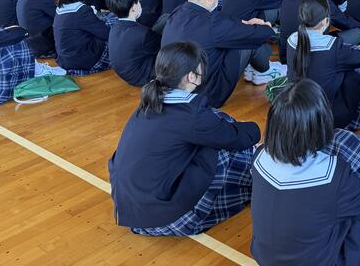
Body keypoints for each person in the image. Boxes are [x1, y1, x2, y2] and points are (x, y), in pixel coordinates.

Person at [108, 41, 258, 236]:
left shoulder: (148, 103)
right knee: (221, 148)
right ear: (191, 76)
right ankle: (258, 183)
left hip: (131, 212)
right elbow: (237, 137)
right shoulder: (192, 115)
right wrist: (254, 130)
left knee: (212, 135)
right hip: (162, 219)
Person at [250, 79, 360, 266]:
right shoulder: (331, 174)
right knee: (359, 217)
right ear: (321, 122)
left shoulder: (259, 156)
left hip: (264, 258)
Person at [161, 0, 280, 103]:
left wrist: (245, 23)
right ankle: (264, 71)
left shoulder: (177, 12)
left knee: (237, 34)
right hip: (208, 94)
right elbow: (257, 34)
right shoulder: (211, 22)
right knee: (247, 39)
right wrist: (266, 27)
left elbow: (224, 22)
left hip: (177, 86)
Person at [287, 0, 360, 131]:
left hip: (297, 112)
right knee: (356, 73)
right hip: (325, 118)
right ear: (325, 21)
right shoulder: (332, 46)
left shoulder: (292, 39)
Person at [53, 0, 115, 76]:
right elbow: (106, 33)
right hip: (83, 61)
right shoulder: (81, 10)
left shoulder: (60, 8)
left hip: (66, 60)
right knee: (113, 25)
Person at [107, 0, 162, 87]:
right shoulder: (142, 33)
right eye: (138, 2)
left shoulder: (114, 27)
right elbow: (162, 46)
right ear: (133, 8)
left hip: (125, 74)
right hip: (142, 77)